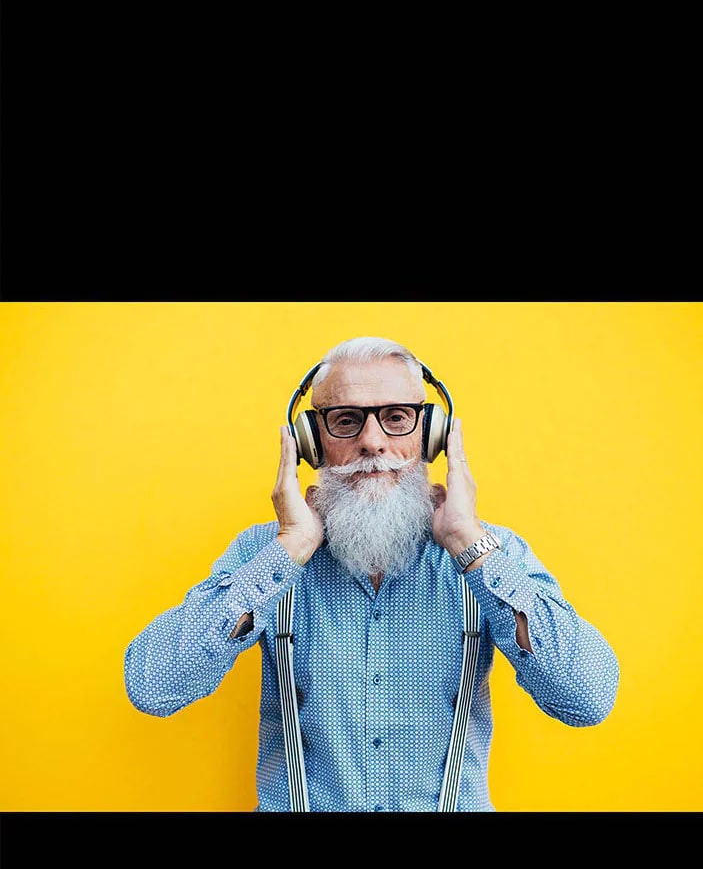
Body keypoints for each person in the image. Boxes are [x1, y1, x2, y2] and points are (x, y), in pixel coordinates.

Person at [124, 336, 619, 812]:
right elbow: (153, 685)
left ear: (432, 436)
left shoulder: (492, 553)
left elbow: (587, 697)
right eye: (345, 421)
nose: (372, 443)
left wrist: (470, 545)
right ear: (311, 443)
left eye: (397, 418)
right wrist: (288, 550)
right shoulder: (265, 553)